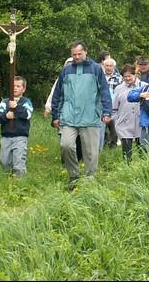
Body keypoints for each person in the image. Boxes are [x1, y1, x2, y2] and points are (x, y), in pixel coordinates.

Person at [51, 41, 112, 191]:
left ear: (86, 52)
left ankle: (90, 178)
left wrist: (106, 111)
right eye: (74, 55)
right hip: (69, 116)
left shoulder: (96, 69)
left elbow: (104, 91)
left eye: (79, 54)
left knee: (91, 151)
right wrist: (55, 115)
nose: (77, 57)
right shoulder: (66, 70)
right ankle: (73, 175)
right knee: (66, 145)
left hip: (90, 116)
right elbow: (58, 94)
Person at [0, 76, 33, 178]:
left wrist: (16, 107)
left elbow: (27, 114)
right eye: (13, 86)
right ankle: (8, 179)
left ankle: (19, 181)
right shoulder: (5, 102)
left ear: (23, 89)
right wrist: (6, 116)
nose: (15, 88)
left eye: (18, 86)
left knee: (18, 161)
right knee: (4, 162)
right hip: (6, 137)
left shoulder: (26, 102)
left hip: (20, 136)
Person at [45, 57, 82, 164]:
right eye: (68, 64)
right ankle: (65, 161)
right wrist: (48, 108)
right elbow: (54, 94)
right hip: (63, 113)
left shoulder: (82, 77)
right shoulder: (61, 78)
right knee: (64, 138)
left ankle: (78, 160)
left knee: (78, 138)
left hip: (80, 114)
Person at [112, 64, 142, 163]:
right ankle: (127, 166)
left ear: (135, 75)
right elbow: (114, 107)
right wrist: (116, 121)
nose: (128, 78)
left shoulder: (143, 86)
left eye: (130, 76)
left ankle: (143, 166)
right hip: (124, 122)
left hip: (140, 122)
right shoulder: (119, 89)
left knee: (142, 148)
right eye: (125, 76)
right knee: (126, 150)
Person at [101, 56, 122, 150]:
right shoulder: (100, 76)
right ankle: (103, 146)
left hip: (114, 107)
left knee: (114, 129)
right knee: (102, 128)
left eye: (110, 66)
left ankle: (112, 148)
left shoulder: (119, 78)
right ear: (103, 66)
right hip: (101, 106)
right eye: (107, 66)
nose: (109, 68)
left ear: (114, 67)